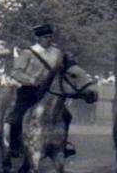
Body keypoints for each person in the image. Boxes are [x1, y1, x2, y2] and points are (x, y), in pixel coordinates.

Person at [4, 24, 75, 158]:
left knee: (66, 115)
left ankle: (63, 145)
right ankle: (14, 146)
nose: (48, 39)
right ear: (38, 38)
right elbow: (15, 72)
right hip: (29, 91)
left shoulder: (57, 53)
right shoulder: (27, 53)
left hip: (50, 93)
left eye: (50, 37)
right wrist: (31, 80)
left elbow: (62, 71)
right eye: (45, 37)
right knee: (16, 118)